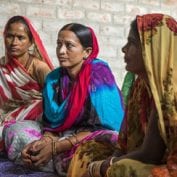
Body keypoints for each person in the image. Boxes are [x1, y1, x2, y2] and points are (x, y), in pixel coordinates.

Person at [2, 23, 124, 175]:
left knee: (109, 142)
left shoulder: (99, 75)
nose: (61, 51)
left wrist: (56, 147)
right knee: (14, 130)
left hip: (90, 136)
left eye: (69, 46)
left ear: (87, 52)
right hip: (62, 135)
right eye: (59, 44)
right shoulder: (54, 79)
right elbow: (51, 125)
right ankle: (45, 159)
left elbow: (106, 128)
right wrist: (45, 141)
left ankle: (50, 160)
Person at [66, 13, 177, 177]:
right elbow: (125, 143)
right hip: (147, 157)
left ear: (153, 49)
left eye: (132, 43)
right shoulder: (141, 86)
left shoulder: (170, 92)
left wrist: (106, 165)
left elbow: (149, 154)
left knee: (119, 169)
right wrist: (111, 159)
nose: (124, 49)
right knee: (88, 151)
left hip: (170, 165)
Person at [0, 15, 53, 150]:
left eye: (20, 37)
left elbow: (53, 100)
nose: (14, 42)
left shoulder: (39, 67)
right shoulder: (2, 66)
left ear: (30, 42)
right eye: (10, 36)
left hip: (34, 115)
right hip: (5, 113)